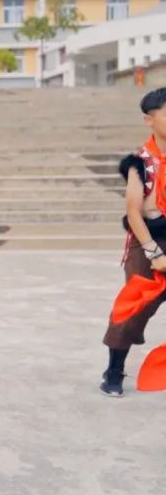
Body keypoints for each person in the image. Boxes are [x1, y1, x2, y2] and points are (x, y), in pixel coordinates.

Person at [101, 87, 166, 397]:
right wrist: (154, 253)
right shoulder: (139, 163)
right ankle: (114, 370)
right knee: (134, 306)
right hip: (147, 243)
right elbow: (134, 212)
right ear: (149, 120)